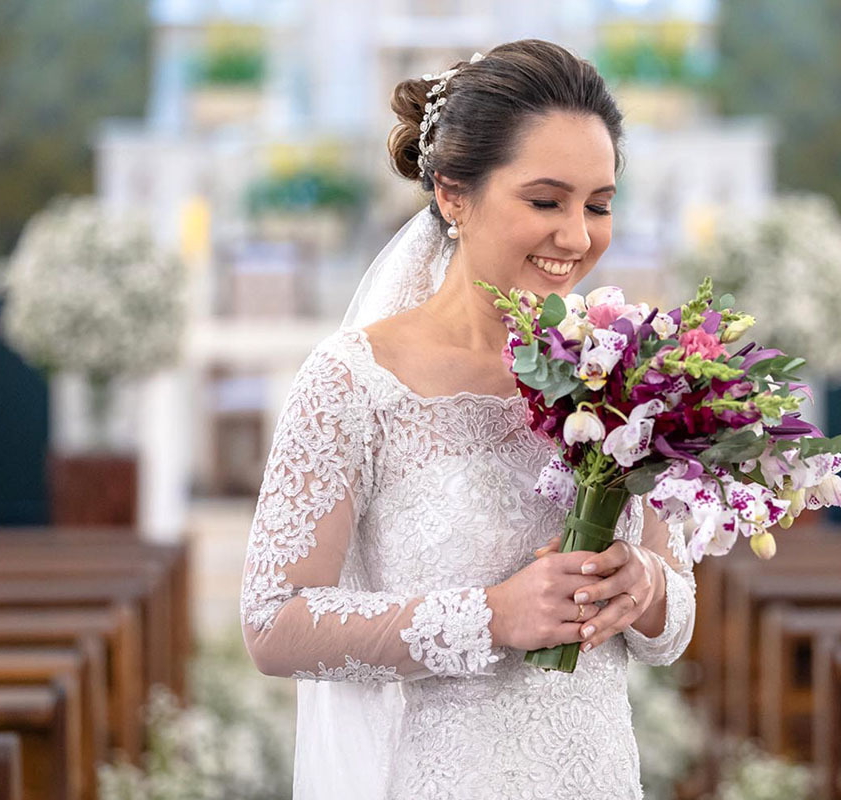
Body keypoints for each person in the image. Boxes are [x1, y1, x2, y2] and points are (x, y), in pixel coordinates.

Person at [240, 38, 696, 800]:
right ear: (454, 193)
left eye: (600, 204)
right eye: (546, 201)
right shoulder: (353, 381)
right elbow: (273, 624)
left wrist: (644, 586)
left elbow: (672, 621)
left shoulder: (619, 372)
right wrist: (491, 616)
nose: (578, 236)